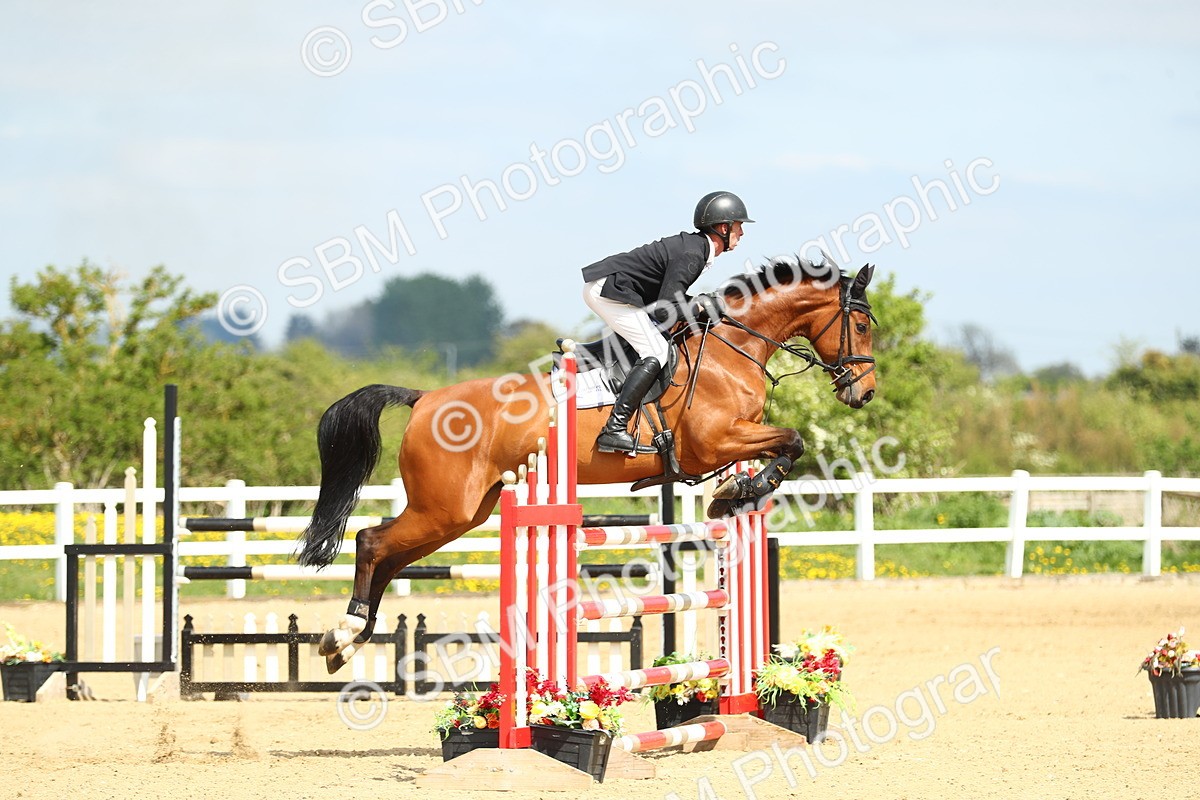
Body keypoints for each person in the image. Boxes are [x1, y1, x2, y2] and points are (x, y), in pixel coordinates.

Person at [581, 190, 753, 455]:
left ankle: (588, 359)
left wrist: (698, 301)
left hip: (616, 289)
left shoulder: (696, 249)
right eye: (739, 226)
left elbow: (667, 299)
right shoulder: (693, 254)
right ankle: (614, 429)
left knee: (652, 340)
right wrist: (699, 305)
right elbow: (665, 311)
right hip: (609, 290)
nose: (742, 233)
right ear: (723, 227)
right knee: (656, 351)